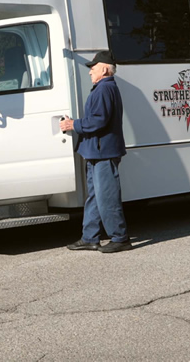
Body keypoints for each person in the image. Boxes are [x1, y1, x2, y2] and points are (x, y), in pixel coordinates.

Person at [60, 50, 131, 253]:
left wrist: (74, 124)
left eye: (94, 67)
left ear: (105, 69)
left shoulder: (104, 89)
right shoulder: (102, 88)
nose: (90, 70)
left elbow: (99, 121)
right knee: (94, 196)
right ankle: (90, 237)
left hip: (103, 153)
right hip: (96, 152)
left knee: (106, 196)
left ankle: (120, 238)